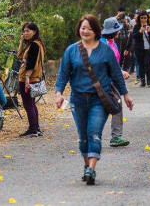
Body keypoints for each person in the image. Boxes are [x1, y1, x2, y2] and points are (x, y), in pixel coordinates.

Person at [55, 15, 133, 185]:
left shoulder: (105, 51)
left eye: (89, 29)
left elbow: (116, 75)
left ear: (96, 31)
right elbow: (63, 74)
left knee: (94, 133)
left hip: (99, 100)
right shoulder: (71, 51)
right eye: (83, 28)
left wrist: (125, 94)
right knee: (83, 137)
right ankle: (86, 166)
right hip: (77, 100)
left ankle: (92, 168)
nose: (86, 31)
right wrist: (58, 93)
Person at [100, 19, 131, 147]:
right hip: (102, 81)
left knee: (117, 104)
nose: (119, 31)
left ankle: (116, 136)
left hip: (112, 80)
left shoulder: (113, 43)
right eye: (117, 29)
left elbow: (114, 63)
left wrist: (121, 71)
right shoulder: (102, 44)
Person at [17, 22, 45, 137]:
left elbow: (31, 63)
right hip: (33, 77)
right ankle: (36, 128)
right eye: (24, 31)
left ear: (34, 31)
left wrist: (27, 77)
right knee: (32, 103)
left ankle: (33, 129)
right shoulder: (37, 44)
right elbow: (19, 56)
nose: (25, 33)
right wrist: (21, 42)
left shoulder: (34, 45)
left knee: (28, 104)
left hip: (28, 78)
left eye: (28, 31)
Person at [129, 11, 150, 87]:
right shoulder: (136, 26)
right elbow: (134, 36)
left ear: (147, 18)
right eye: (142, 18)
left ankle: (149, 81)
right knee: (141, 65)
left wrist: (149, 31)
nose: (143, 19)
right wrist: (140, 31)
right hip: (139, 48)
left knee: (148, 64)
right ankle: (142, 81)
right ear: (139, 18)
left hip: (148, 49)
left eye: (145, 18)